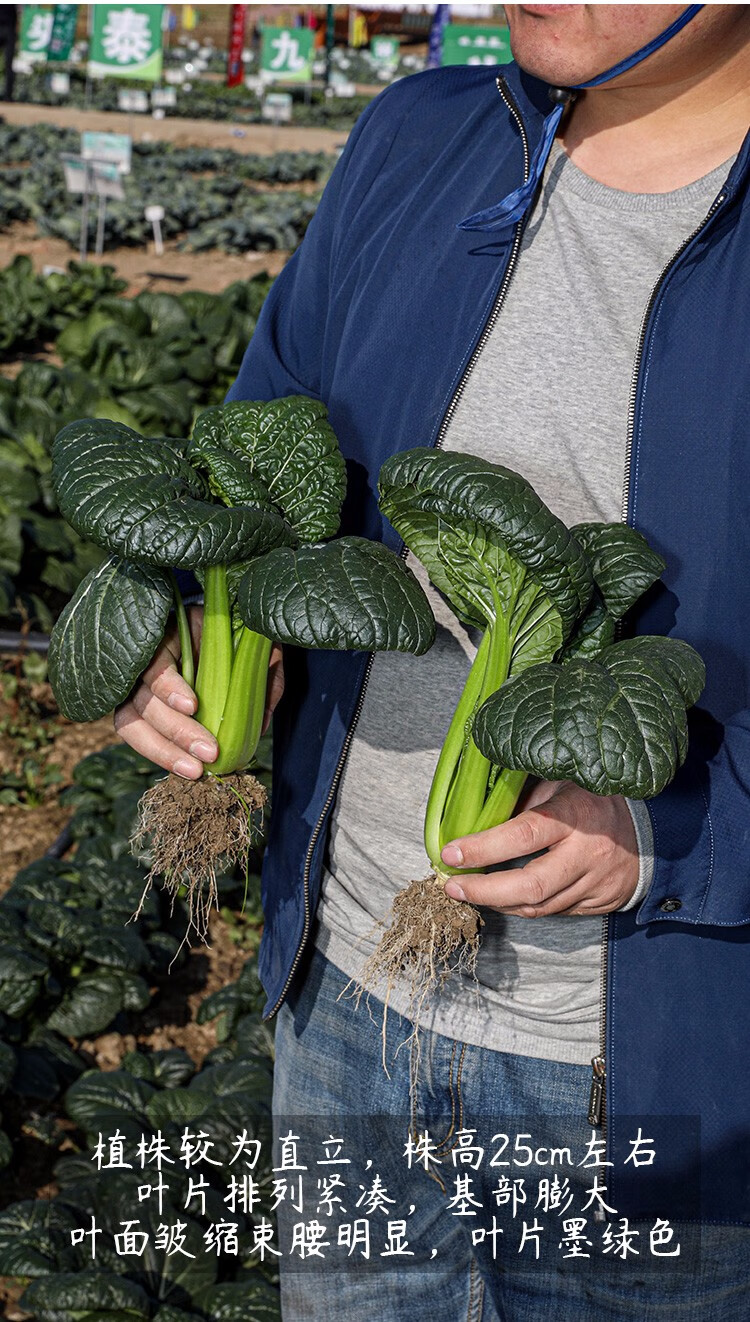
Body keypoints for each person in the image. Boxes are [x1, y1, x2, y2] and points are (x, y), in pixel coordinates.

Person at [114, 5, 750, 1317]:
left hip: (651, 1087)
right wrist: (194, 636)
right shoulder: (420, 136)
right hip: (348, 1002)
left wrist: (677, 832)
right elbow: (257, 449)